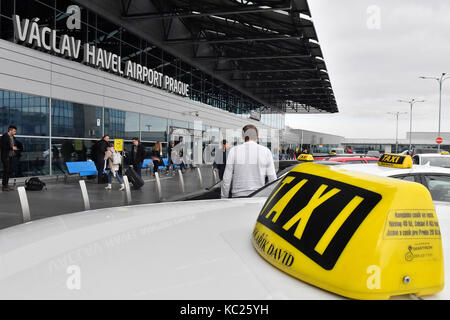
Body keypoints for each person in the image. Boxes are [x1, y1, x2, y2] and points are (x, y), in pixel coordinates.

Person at [221, 124, 277, 198]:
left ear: (243, 136)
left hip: (238, 196)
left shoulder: (233, 151)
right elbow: (272, 179)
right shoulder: (266, 151)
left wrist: (224, 197)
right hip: (259, 195)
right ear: (257, 136)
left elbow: (226, 179)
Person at [1, 125, 18, 191]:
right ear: (10, 130)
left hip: (11, 156)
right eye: (14, 131)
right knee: (6, 171)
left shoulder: (13, 137)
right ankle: (4, 186)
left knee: (9, 171)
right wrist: (11, 148)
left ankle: (6, 184)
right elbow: (2, 146)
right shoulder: (5, 136)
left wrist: (15, 148)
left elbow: (13, 145)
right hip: (5, 156)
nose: (15, 132)